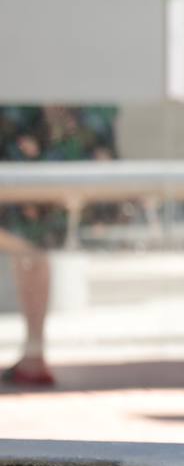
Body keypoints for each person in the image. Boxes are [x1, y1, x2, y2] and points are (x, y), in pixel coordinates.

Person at [0, 106, 117, 387]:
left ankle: (34, 352)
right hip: (38, 144)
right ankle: (34, 351)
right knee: (27, 248)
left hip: (38, 146)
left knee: (28, 247)